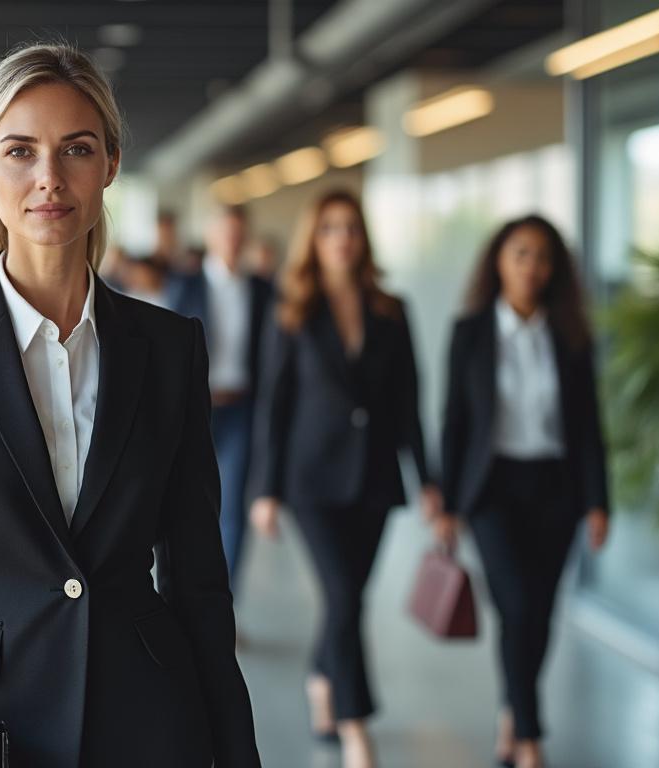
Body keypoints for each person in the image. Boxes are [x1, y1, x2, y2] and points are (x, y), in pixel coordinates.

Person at [0, 43, 260, 768]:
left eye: (75, 149)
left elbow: (198, 579)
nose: (48, 179)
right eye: (20, 151)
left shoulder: (168, 347)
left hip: (146, 719)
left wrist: (237, 753)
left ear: (111, 164)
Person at [247, 190, 440, 768]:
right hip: (312, 480)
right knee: (342, 593)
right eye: (329, 228)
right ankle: (357, 728)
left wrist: (430, 480)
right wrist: (265, 488)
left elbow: (410, 402)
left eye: (351, 227)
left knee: (348, 598)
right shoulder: (293, 309)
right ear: (315, 238)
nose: (341, 238)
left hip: (376, 479)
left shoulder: (391, 310)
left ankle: (321, 681)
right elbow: (273, 406)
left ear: (363, 237)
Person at [435, 214, 610, 768]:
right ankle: (530, 738)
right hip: (492, 491)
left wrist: (598, 501)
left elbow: (588, 425)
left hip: (555, 489)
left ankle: (512, 713)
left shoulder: (569, 335)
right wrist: (446, 501)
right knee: (515, 606)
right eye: (521, 254)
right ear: (499, 263)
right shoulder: (470, 333)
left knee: (538, 611)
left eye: (542, 257)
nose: (532, 267)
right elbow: (454, 422)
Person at [165, 204, 273, 586]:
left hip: (242, 408)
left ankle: (225, 603)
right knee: (189, 504)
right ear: (211, 236)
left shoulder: (263, 291)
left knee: (233, 509)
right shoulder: (185, 287)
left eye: (238, 233)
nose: (232, 240)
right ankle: (187, 595)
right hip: (198, 408)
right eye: (225, 232)